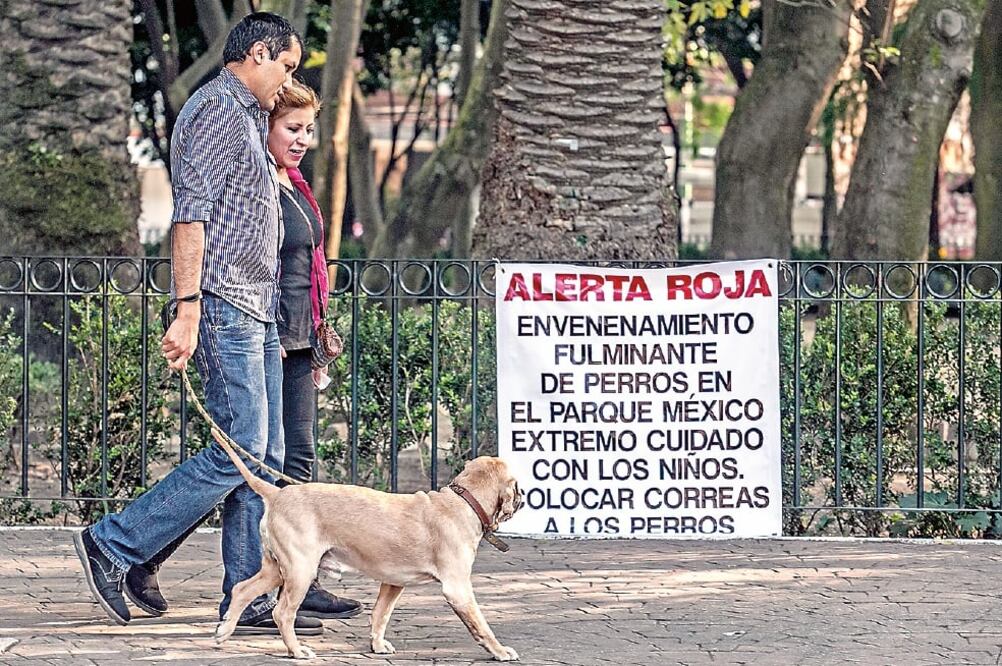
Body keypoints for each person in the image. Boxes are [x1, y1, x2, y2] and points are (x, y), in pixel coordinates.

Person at [72, 13, 339, 636]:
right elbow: (189, 219)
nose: (288, 80)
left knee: (264, 459)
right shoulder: (217, 111)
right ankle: (115, 543)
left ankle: (242, 598)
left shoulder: (248, 112)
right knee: (240, 454)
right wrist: (188, 307)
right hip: (225, 302)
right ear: (257, 53)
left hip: (261, 304)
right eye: (287, 66)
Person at [121, 80, 360, 622]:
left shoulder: (292, 183)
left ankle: (291, 579)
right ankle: (141, 550)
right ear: (265, 128)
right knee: (250, 463)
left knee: (281, 463)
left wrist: (316, 336)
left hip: (294, 334)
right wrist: (200, 313)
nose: (303, 140)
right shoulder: (256, 187)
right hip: (259, 327)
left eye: (308, 130)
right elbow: (223, 245)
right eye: (292, 129)